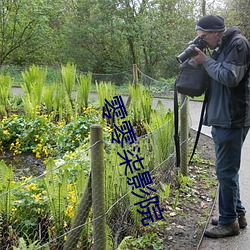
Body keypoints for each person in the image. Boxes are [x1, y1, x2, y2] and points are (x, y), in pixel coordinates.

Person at [192, 15, 250, 238]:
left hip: (232, 118)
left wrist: (205, 61)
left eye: (204, 37)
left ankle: (228, 223)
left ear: (216, 32)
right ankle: (237, 214)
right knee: (227, 171)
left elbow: (229, 77)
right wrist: (202, 60)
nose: (203, 41)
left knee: (225, 171)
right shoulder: (221, 46)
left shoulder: (238, 44)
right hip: (222, 117)